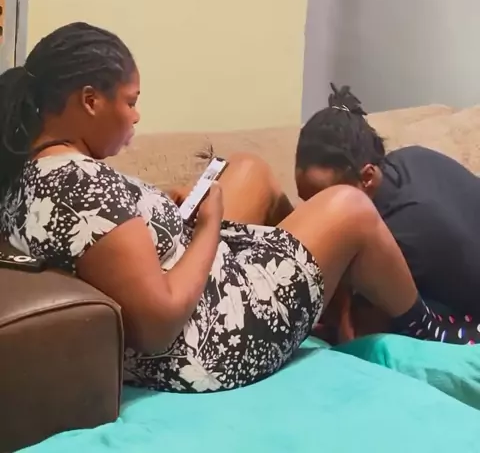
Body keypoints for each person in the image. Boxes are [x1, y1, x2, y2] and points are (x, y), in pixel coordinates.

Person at [0, 25, 457, 395]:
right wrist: (208, 226)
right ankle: (428, 327)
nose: (136, 116)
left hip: (201, 287)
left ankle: (316, 282)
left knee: (248, 169)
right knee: (350, 206)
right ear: (90, 101)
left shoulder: (32, 170)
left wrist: (167, 216)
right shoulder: (83, 185)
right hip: (215, 341)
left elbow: (113, 250)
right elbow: (157, 327)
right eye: (131, 102)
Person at [295, 84, 480, 341]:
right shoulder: (406, 158)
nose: (315, 213)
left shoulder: (403, 235)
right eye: (307, 201)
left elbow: (355, 336)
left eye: (326, 200)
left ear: (367, 177)